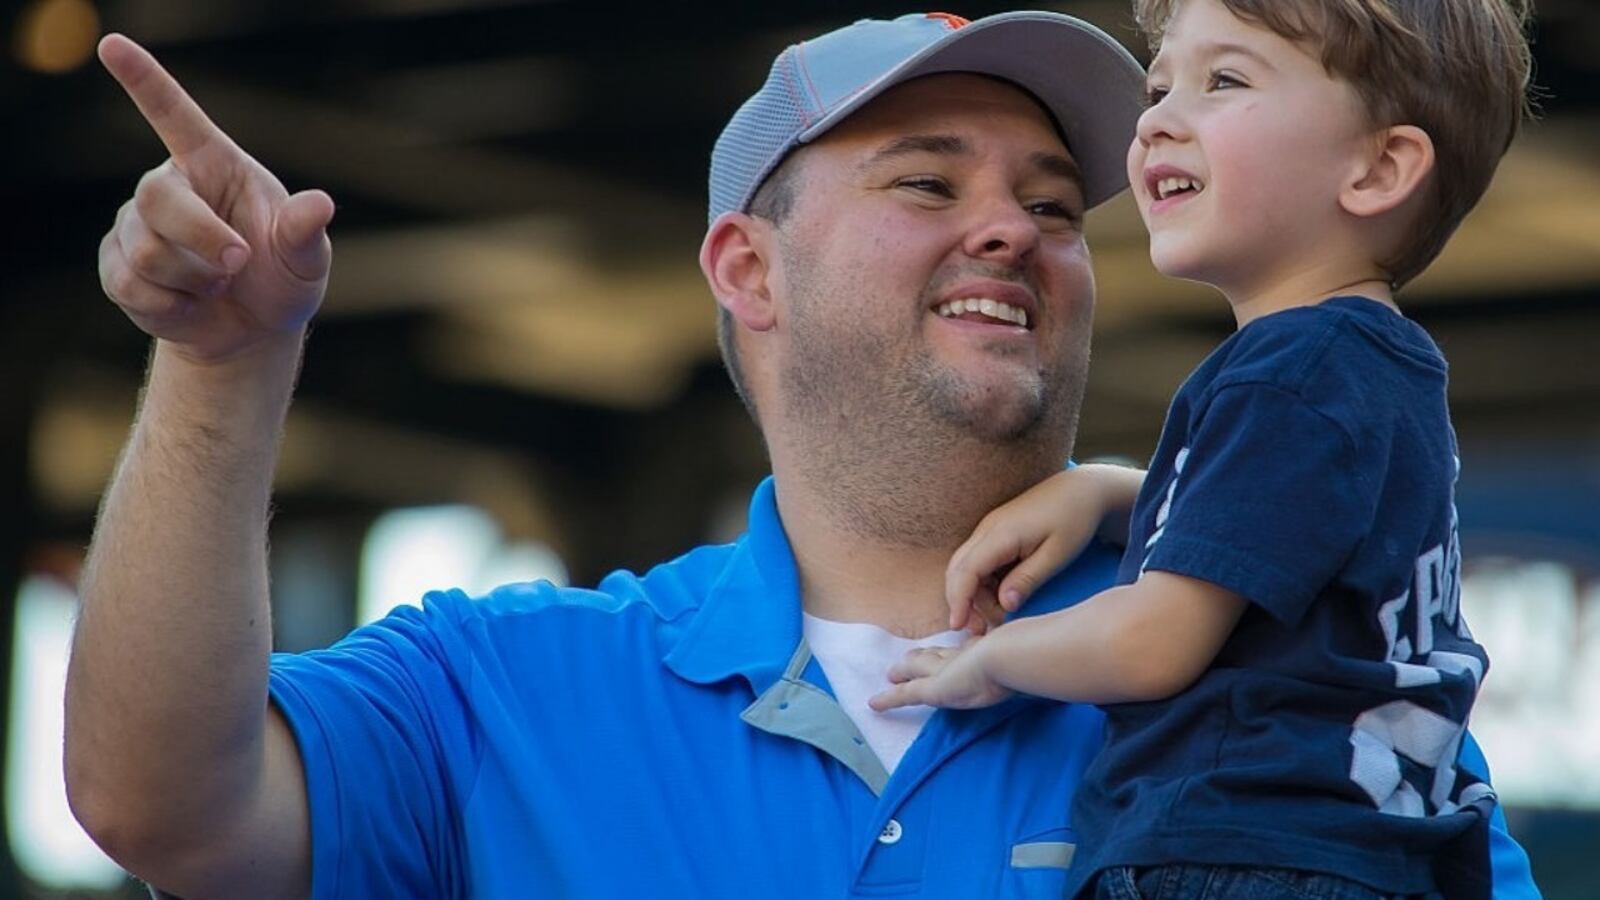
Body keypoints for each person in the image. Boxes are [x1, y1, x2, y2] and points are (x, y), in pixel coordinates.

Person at [62, 10, 1539, 900]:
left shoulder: (1309, 684)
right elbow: (157, 805)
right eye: (924, 181)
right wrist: (220, 366)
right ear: (746, 270)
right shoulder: (502, 686)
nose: (1014, 228)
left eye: (1051, 203)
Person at [869, 1, 1535, 898]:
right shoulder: (1373, 366)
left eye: (1224, 80)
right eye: (1160, 84)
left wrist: (989, 658)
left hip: (1237, 854)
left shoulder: (1288, 369)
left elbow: (1153, 643)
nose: (1156, 120)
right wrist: (1114, 496)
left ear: (1379, 167)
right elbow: (1285, 525)